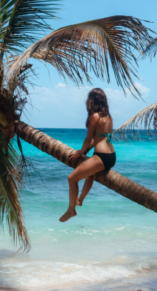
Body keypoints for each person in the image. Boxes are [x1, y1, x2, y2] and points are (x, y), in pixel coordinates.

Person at [59, 88, 116, 222]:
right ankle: (80, 200)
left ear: (92, 101)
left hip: (101, 156)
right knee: (89, 174)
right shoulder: (108, 117)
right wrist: (85, 151)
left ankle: (71, 210)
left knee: (72, 179)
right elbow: (99, 139)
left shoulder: (94, 117)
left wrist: (80, 152)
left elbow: (88, 139)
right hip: (111, 156)